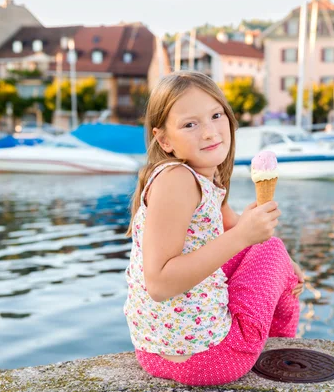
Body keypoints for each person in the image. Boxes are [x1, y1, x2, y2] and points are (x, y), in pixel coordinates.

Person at [124, 71, 305, 386]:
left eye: (216, 115)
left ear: (229, 117)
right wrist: (247, 238)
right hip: (211, 358)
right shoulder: (177, 180)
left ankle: (275, 336)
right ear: (164, 139)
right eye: (190, 124)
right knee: (272, 248)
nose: (209, 132)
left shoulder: (204, 179)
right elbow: (160, 283)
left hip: (154, 351)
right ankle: (279, 348)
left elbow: (233, 233)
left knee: (271, 253)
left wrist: (287, 265)